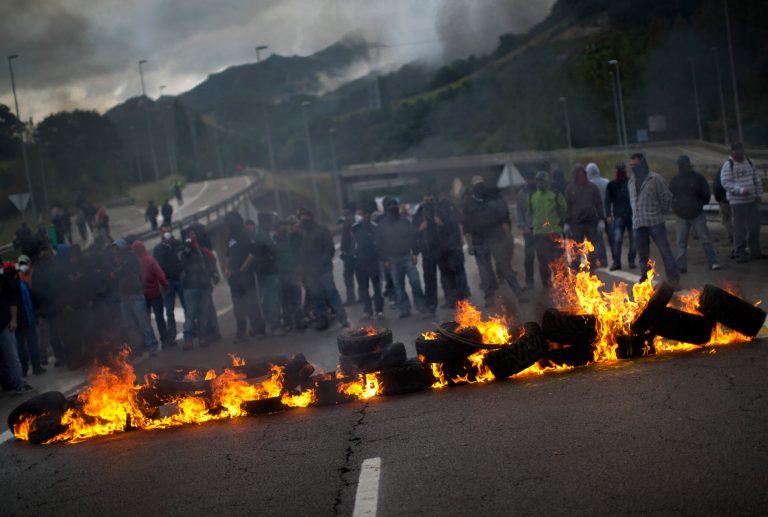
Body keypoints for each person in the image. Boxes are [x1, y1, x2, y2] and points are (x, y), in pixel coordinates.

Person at [462, 176, 527, 308]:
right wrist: (469, 244)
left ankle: (515, 294)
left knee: (502, 268)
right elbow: (467, 226)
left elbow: (502, 219)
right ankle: (493, 297)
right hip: (482, 240)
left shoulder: (486, 200)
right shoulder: (475, 203)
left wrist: (507, 237)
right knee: (487, 271)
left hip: (493, 239)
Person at [627, 153, 680, 287]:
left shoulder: (655, 179)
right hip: (638, 224)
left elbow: (667, 197)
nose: (633, 168)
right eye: (631, 165)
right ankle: (645, 281)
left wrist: (661, 210)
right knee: (643, 257)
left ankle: (674, 279)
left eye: (636, 165)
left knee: (665, 252)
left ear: (642, 164)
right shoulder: (631, 181)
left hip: (655, 222)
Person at [297, 208, 349, 329]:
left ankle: (343, 318)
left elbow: (329, 250)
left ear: (310, 217)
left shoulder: (322, 230)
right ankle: (322, 320)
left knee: (331, 293)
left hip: (324, 270)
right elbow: (302, 253)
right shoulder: (303, 234)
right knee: (317, 296)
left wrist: (319, 265)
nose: (302, 221)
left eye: (304, 218)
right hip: (311, 272)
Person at [669, 155, 721, 272]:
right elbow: (670, 196)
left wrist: (699, 204)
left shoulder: (698, 178)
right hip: (681, 215)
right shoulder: (675, 180)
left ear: (687, 164)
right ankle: (681, 266)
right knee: (681, 242)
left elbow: (706, 194)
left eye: (682, 164)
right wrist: (676, 208)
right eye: (680, 164)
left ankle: (713, 261)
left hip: (697, 214)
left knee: (705, 239)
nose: (681, 167)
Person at [376, 197, 426, 318]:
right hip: (392, 259)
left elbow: (414, 237)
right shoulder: (382, 225)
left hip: (407, 256)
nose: (393, 207)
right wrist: (385, 260)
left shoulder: (405, 222)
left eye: (394, 205)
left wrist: (415, 253)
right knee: (398, 287)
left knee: (415, 282)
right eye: (390, 205)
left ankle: (421, 306)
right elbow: (378, 244)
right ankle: (404, 309)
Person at [223, 211, 266, 341]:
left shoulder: (247, 233)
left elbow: (254, 252)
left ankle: (258, 329)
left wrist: (244, 266)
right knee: (238, 305)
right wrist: (227, 268)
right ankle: (241, 331)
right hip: (235, 277)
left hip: (247, 274)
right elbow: (228, 255)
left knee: (252, 302)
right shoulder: (230, 237)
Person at [112, 239, 159, 355]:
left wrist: (117, 272)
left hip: (135, 295)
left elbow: (125, 270)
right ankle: (139, 347)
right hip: (124, 297)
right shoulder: (115, 261)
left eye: (117, 248)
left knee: (143, 322)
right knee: (130, 325)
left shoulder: (131, 258)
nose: (115, 251)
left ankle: (151, 344)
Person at [720, 142, 764, 262]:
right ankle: (740, 253)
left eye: (741, 152)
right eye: (736, 153)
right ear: (732, 153)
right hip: (737, 202)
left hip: (751, 200)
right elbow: (725, 182)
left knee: (755, 226)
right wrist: (739, 190)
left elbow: (757, 179)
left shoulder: (749, 162)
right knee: (739, 228)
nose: (739, 155)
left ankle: (755, 251)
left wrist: (759, 194)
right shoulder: (728, 165)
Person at [3, 262, 44, 376]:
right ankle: (36, 367)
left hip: (14, 323)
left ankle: (24, 369)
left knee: (20, 347)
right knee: (32, 344)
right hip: (27, 319)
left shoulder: (5, 288)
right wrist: (33, 315)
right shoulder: (22, 285)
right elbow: (30, 301)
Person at [180, 229, 216, 349]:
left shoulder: (202, 250)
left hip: (204, 285)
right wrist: (188, 247)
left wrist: (212, 276)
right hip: (191, 286)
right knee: (190, 314)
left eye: (194, 233)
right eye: (190, 234)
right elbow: (182, 264)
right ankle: (188, 340)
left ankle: (202, 337)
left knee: (203, 313)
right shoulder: (185, 250)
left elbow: (209, 263)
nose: (192, 236)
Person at [529, 171, 567, 287]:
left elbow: (564, 209)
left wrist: (561, 223)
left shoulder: (555, 194)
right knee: (542, 260)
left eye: (542, 181)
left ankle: (560, 280)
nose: (540, 183)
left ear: (547, 182)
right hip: (539, 234)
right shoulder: (533, 196)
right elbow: (530, 213)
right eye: (538, 181)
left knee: (557, 258)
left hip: (554, 232)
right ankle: (546, 283)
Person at [131, 241, 170, 349]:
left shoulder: (134, 263)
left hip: (142, 295)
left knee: (145, 321)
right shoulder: (150, 259)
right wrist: (165, 286)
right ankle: (165, 339)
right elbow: (160, 274)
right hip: (155, 293)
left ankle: (150, 343)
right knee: (159, 317)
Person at [0, 268, 34, 393]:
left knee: (12, 357)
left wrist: (13, 320)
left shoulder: (3, 280)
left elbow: (12, 301)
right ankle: (7, 383)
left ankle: (19, 384)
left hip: (4, 326)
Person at [564, 165, 605, 267]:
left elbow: (598, 204)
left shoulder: (592, 187)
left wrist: (601, 219)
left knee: (592, 247)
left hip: (591, 221)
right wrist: (567, 223)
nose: (580, 177)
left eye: (582, 175)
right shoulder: (570, 189)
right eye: (578, 175)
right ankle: (576, 266)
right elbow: (567, 207)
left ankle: (592, 265)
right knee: (576, 247)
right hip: (576, 223)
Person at [351, 200, 384, 320]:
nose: (359, 216)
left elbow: (380, 244)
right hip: (360, 262)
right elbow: (352, 243)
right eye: (358, 214)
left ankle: (379, 310)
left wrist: (382, 258)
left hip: (373, 261)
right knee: (363, 288)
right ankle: (367, 310)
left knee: (377, 288)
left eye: (361, 214)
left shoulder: (375, 227)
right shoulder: (354, 228)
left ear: (367, 214)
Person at [153, 224, 184, 346]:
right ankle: (172, 335)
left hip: (180, 279)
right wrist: (161, 283)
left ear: (171, 231)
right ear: (160, 232)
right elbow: (157, 267)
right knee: (169, 310)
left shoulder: (178, 244)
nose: (166, 232)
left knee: (187, 305)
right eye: (164, 230)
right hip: (168, 282)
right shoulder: (158, 249)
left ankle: (192, 330)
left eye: (168, 229)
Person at [274, 218, 306, 331]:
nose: (285, 228)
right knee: (284, 301)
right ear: (277, 229)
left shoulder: (291, 238)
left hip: (292, 273)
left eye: (286, 226)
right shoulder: (273, 241)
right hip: (281, 275)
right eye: (283, 226)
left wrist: (299, 265)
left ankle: (299, 321)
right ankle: (288, 323)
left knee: (296, 300)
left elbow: (299, 251)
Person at [605, 162, 636, 271]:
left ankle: (631, 261)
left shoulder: (631, 183)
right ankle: (616, 262)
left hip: (631, 215)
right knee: (617, 240)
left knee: (634, 239)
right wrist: (608, 214)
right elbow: (607, 201)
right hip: (618, 216)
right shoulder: (612, 185)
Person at [586, 162, 610, 265]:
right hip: (608, 214)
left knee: (597, 239)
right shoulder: (606, 182)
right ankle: (611, 259)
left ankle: (599, 260)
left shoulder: (588, 185)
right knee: (610, 238)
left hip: (596, 216)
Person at [516, 171, 537, 288]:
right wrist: (522, 226)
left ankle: (548, 280)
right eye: (528, 179)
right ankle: (529, 281)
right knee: (529, 257)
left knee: (544, 257)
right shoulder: (521, 194)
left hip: (540, 230)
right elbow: (519, 212)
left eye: (532, 179)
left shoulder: (540, 191)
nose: (530, 181)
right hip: (528, 230)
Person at [340, 204, 358, 306]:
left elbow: (346, 238)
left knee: (348, 276)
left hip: (350, 253)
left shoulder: (348, 221)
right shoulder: (355, 219)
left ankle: (351, 298)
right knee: (359, 276)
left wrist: (343, 250)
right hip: (356, 252)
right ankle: (362, 296)